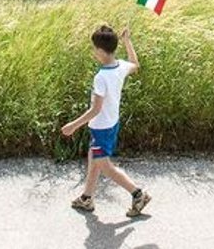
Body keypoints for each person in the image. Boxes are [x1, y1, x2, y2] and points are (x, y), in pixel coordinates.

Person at [59, 23, 152, 218]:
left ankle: (138, 194)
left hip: (101, 127)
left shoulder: (101, 77)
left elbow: (96, 109)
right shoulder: (121, 66)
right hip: (111, 123)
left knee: (105, 166)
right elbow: (135, 64)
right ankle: (87, 197)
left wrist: (73, 126)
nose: (94, 52)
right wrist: (128, 41)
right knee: (94, 158)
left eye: (94, 49)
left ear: (101, 51)